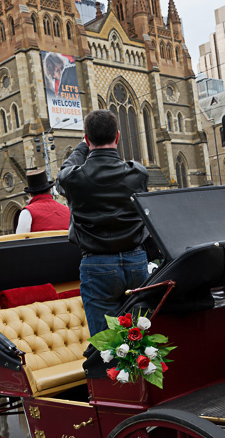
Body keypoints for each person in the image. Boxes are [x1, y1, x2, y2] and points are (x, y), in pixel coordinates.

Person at [57, 110, 150, 336]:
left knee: (106, 344)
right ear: (117, 137)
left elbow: (63, 173)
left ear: (88, 140)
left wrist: (81, 147)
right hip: (136, 260)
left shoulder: (74, 178)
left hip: (96, 266)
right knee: (142, 341)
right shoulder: (138, 173)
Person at [15, 169, 70, 233]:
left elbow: (20, 238)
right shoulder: (68, 210)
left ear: (31, 194)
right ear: (49, 190)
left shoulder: (27, 212)